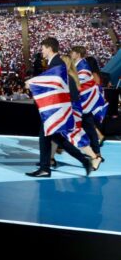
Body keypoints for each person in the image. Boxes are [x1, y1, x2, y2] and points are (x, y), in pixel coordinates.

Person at [26, 38, 93, 177]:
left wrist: (32, 82)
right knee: (56, 137)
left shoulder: (57, 63)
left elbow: (52, 82)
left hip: (55, 109)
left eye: (43, 48)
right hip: (55, 108)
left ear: (50, 48)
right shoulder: (55, 63)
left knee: (46, 136)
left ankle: (45, 168)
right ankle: (83, 160)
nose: (42, 51)